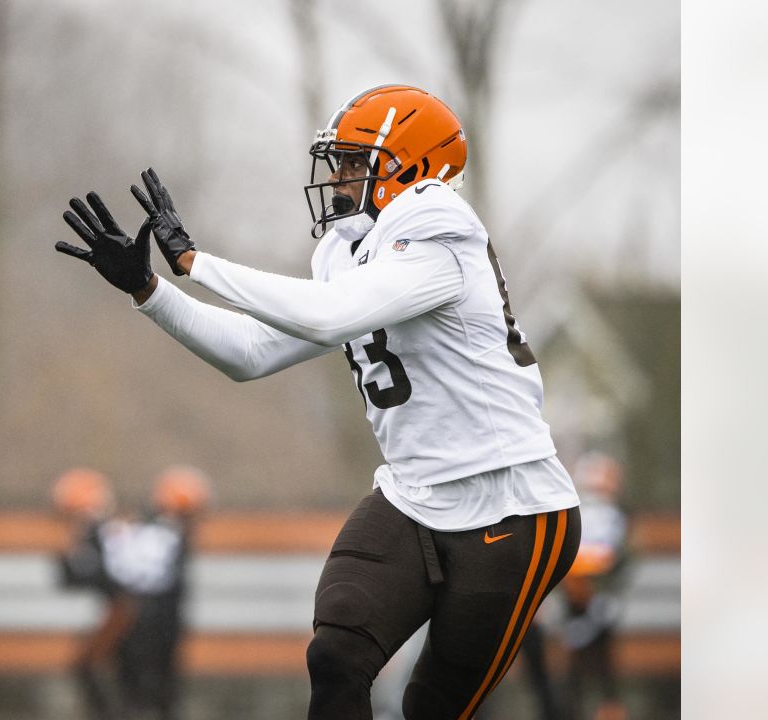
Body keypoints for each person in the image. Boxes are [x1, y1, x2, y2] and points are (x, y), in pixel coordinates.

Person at [55, 84, 582, 719]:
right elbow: (251, 353)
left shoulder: (441, 226)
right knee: (334, 657)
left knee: (432, 708)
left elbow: (333, 317)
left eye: (357, 163)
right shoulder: (348, 248)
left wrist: (195, 261)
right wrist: (149, 289)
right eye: (338, 162)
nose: (338, 179)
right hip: (414, 496)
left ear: (412, 169)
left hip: (512, 506)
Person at [111, 466, 209, 720]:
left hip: (139, 619)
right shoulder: (166, 533)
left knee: (140, 692)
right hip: (151, 620)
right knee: (152, 691)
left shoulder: (141, 527)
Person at [52, 468, 135, 720]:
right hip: (120, 608)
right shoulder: (106, 530)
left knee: (89, 667)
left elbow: (97, 575)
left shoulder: (100, 531)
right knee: (100, 669)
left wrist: (67, 561)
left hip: (122, 609)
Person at [559, 453, 630, 720]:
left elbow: (622, 559)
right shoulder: (576, 514)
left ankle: (609, 707)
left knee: (604, 659)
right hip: (574, 597)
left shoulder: (616, 517)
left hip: (602, 596)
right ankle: (572, 710)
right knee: (575, 660)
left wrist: (607, 591)